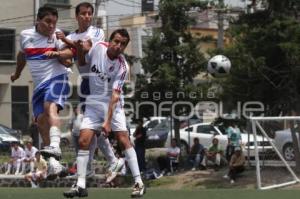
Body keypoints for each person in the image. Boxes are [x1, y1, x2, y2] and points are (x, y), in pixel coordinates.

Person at [63, 29, 145, 198]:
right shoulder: (99, 47)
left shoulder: (123, 66)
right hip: (93, 103)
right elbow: (83, 62)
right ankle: (80, 185)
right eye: (116, 41)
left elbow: (115, 96)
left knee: (123, 139)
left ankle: (139, 182)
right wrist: (78, 48)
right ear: (110, 40)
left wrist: (107, 122)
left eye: (123, 44)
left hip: (113, 107)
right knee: (84, 140)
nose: (118, 45)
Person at [59, 2, 124, 179]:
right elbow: (68, 55)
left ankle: (112, 160)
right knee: (86, 128)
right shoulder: (73, 35)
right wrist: (61, 53)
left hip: (99, 82)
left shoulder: (97, 32)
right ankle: (90, 168)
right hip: (85, 82)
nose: (87, 16)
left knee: (89, 126)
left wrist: (65, 44)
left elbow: (85, 47)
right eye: (84, 14)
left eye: (90, 13)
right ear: (77, 16)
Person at [10, 6, 73, 161]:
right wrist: (17, 74)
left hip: (57, 78)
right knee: (41, 123)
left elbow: (69, 57)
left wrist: (59, 54)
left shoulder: (57, 36)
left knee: (50, 107)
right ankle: (54, 163)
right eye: (48, 22)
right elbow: (22, 55)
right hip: (39, 86)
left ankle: (56, 146)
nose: (51, 26)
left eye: (54, 22)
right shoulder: (25, 35)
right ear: (38, 20)